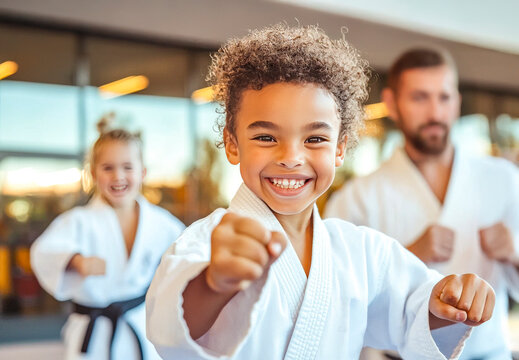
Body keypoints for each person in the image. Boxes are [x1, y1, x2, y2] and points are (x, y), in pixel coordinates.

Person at [145, 25, 497, 360]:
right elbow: (169, 330)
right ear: (232, 144)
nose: (291, 158)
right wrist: (213, 283)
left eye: (315, 139)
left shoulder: (361, 250)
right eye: (266, 138)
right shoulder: (208, 242)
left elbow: (411, 310)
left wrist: (448, 299)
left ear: (340, 149)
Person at [326, 48, 519, 359]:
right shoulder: (358, 197)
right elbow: (337, 299)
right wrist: (408, 256)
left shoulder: (504, 179)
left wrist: (514, 253)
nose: (435, 113)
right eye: (419, 98)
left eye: (444, 98)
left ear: (457, 102)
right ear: (392, 103)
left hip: (490, 352)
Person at [31, 121, 185, 360]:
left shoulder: (161, 223)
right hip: (92, 334)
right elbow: (43, 252)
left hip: (140, 327)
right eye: (108, 168)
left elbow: (190, 255)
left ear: (143, 172)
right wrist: (75, 261)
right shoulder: (78, 221)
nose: (118, 176)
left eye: (127, 167)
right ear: (93, 174)